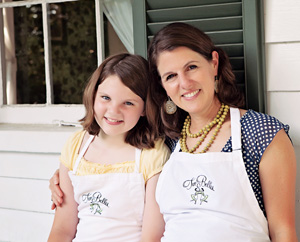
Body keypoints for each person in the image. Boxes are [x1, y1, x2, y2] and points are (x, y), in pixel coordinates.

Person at [50, 23, 298, 241]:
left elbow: (282, 231)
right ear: (163, 86)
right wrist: (63, 176)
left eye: (191, 67)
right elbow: (114, 160)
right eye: (171, 76)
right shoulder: (168, 140)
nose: (184, 83)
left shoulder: (261, 133)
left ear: (213, 63)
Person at [47, 53, 170, 242]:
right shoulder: (76, 147)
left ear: (145, 108)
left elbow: (152, 237)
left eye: (128, 103)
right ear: (93, 95)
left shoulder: (153, 154)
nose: (113, 111)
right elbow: (62, 229)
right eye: (106, 98)